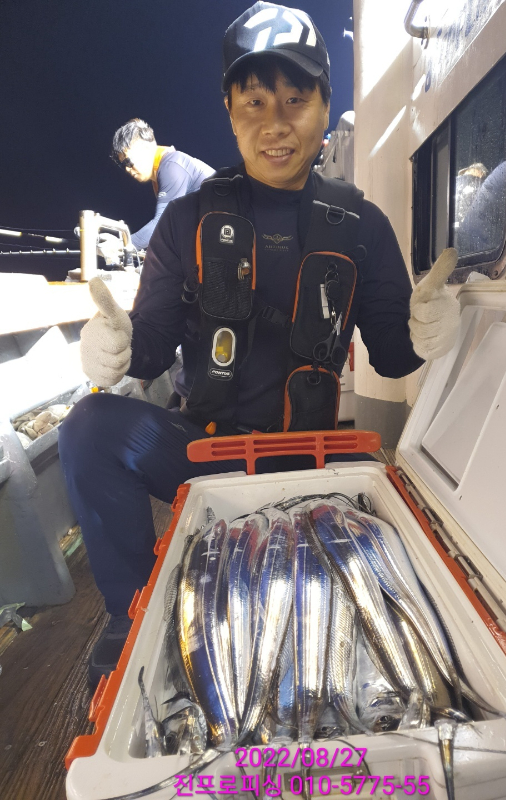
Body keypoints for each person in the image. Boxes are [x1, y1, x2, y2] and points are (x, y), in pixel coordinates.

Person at [59, 1, 460, 687]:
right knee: (89, 427)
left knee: (389, 537)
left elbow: (393, 355)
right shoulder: (187, 218)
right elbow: (150, 347)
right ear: (229, 109)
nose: (276, 123)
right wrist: (117, 346)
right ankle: (133, 620)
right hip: (203, 452)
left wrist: (426, 331)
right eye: (254, 102)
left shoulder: (362, 224)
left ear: (325, 105)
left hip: (312, 458)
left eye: (296, 100)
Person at [97, 119, 215, 263]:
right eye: (123, 165)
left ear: (146, 148)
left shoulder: (171, 166)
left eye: (128, 161)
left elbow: (163, 224)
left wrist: (122, 244)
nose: (127, 169)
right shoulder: (165, 169)